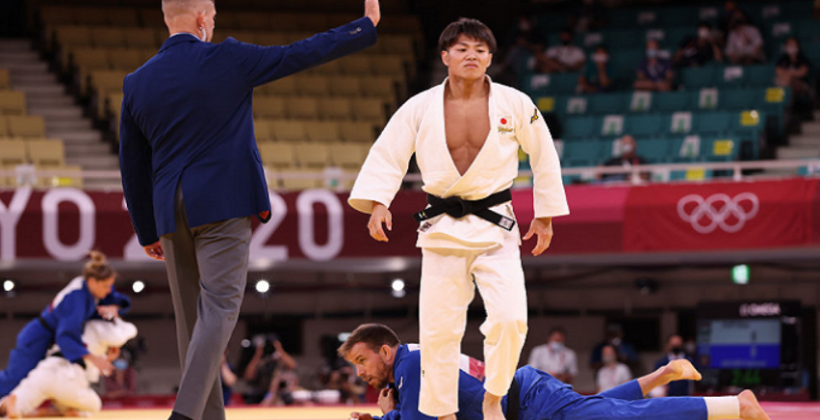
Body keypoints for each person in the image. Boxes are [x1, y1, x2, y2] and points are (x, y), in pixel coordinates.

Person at [118, 0, 380, 419]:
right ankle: (184, 414)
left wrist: (146, 229)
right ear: (202, 18)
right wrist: (363, 26)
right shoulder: (229, 57)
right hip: (222, 203)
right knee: (219, 310)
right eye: (213, 17)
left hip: (169, 211)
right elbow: (300, 52)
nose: (213, 23)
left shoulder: (137, 81)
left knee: (193, 325)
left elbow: (131, 165)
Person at [348, 18, 568, 420]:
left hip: (496, 224)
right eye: (463, 49)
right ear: (445, 56)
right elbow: (389, 153)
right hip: (441, 228)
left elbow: (544, 156)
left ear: (490, 59)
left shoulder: (515, 103)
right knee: (438, 331)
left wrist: (546, 214)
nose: (472, 56)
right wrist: (379, 201)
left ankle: (493, 397)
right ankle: (444, 413)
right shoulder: (419, 106)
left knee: (510, 319)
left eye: (481, 50)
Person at [338, 323, 772, 420]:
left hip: (529, 402)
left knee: (619, 419)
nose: (360, 372)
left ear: (385, 351)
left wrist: (387, 418)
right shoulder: (409, 367)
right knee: (601, 409)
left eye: (361, 361)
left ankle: (736, 405)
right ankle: (662, 374)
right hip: (526, 401)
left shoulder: (410, 364)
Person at [0, 251, 130, 399]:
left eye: (110, 286)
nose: (108, 290)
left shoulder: (97, 290)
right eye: (106, 286)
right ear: (92, 282)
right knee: (16, 379)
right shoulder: (76, 297)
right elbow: (66, 335)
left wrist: (115, 308)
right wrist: (94, 358)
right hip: (38, 337)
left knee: (58, 377)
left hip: (55, 339)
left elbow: (118, 301)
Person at [0, 318, 138, 419]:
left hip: (44, 370)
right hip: (67, 380)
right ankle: (57, 413)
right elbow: (124, 334)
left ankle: (8, 405)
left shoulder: (70, 330)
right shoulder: (98, 328)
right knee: (94, 405)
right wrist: (118, 320)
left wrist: (109, 357)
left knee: (17, 401)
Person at [243, 335, 297, 404]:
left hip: (277, 394)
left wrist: (279, 350)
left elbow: (293, 366)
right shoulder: (259, 360)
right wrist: (258, 354)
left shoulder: (279, 359)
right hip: (259, 394)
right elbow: (249, 376)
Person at [775, 37, 814, 119]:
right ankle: (784, 110)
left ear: (798, 46)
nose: (791, 47)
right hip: (785, 84)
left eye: (793, 45)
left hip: (802, 85)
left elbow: (802, 72)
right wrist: (792, 73)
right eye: (789, 45)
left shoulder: (803, 59)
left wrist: (788, 74)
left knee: (787, 82)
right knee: (782, 84)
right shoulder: (782, 60)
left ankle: (786, 110)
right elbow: (778, 72)